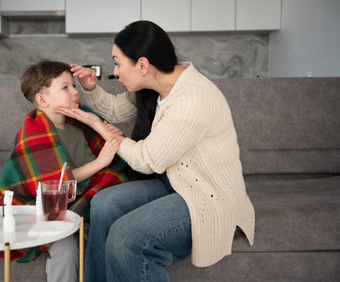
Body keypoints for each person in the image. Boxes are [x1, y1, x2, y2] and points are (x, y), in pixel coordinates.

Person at [56, 20, 255, 282]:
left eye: (118, 63)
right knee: (104, 203)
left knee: (127, 236)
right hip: (175, 183)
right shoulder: (157, 86)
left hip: (207, 196)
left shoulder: (192, 100)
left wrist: (100, 128)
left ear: (142, 65)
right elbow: (116, 110)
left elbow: (147, 160)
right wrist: (91, 89)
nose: (115, 72)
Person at [18, 60, 126, 282]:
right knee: (66, 249)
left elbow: (116, 158)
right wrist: (100, 162)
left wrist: (111, 135)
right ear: (42, 99)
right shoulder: (34, 129)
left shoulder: (80, 123)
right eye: (65, 87)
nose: (75, 92)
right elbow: (50, 181)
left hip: (83, 202)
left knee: (108, 238)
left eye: (74, 86)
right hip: (49, 208)